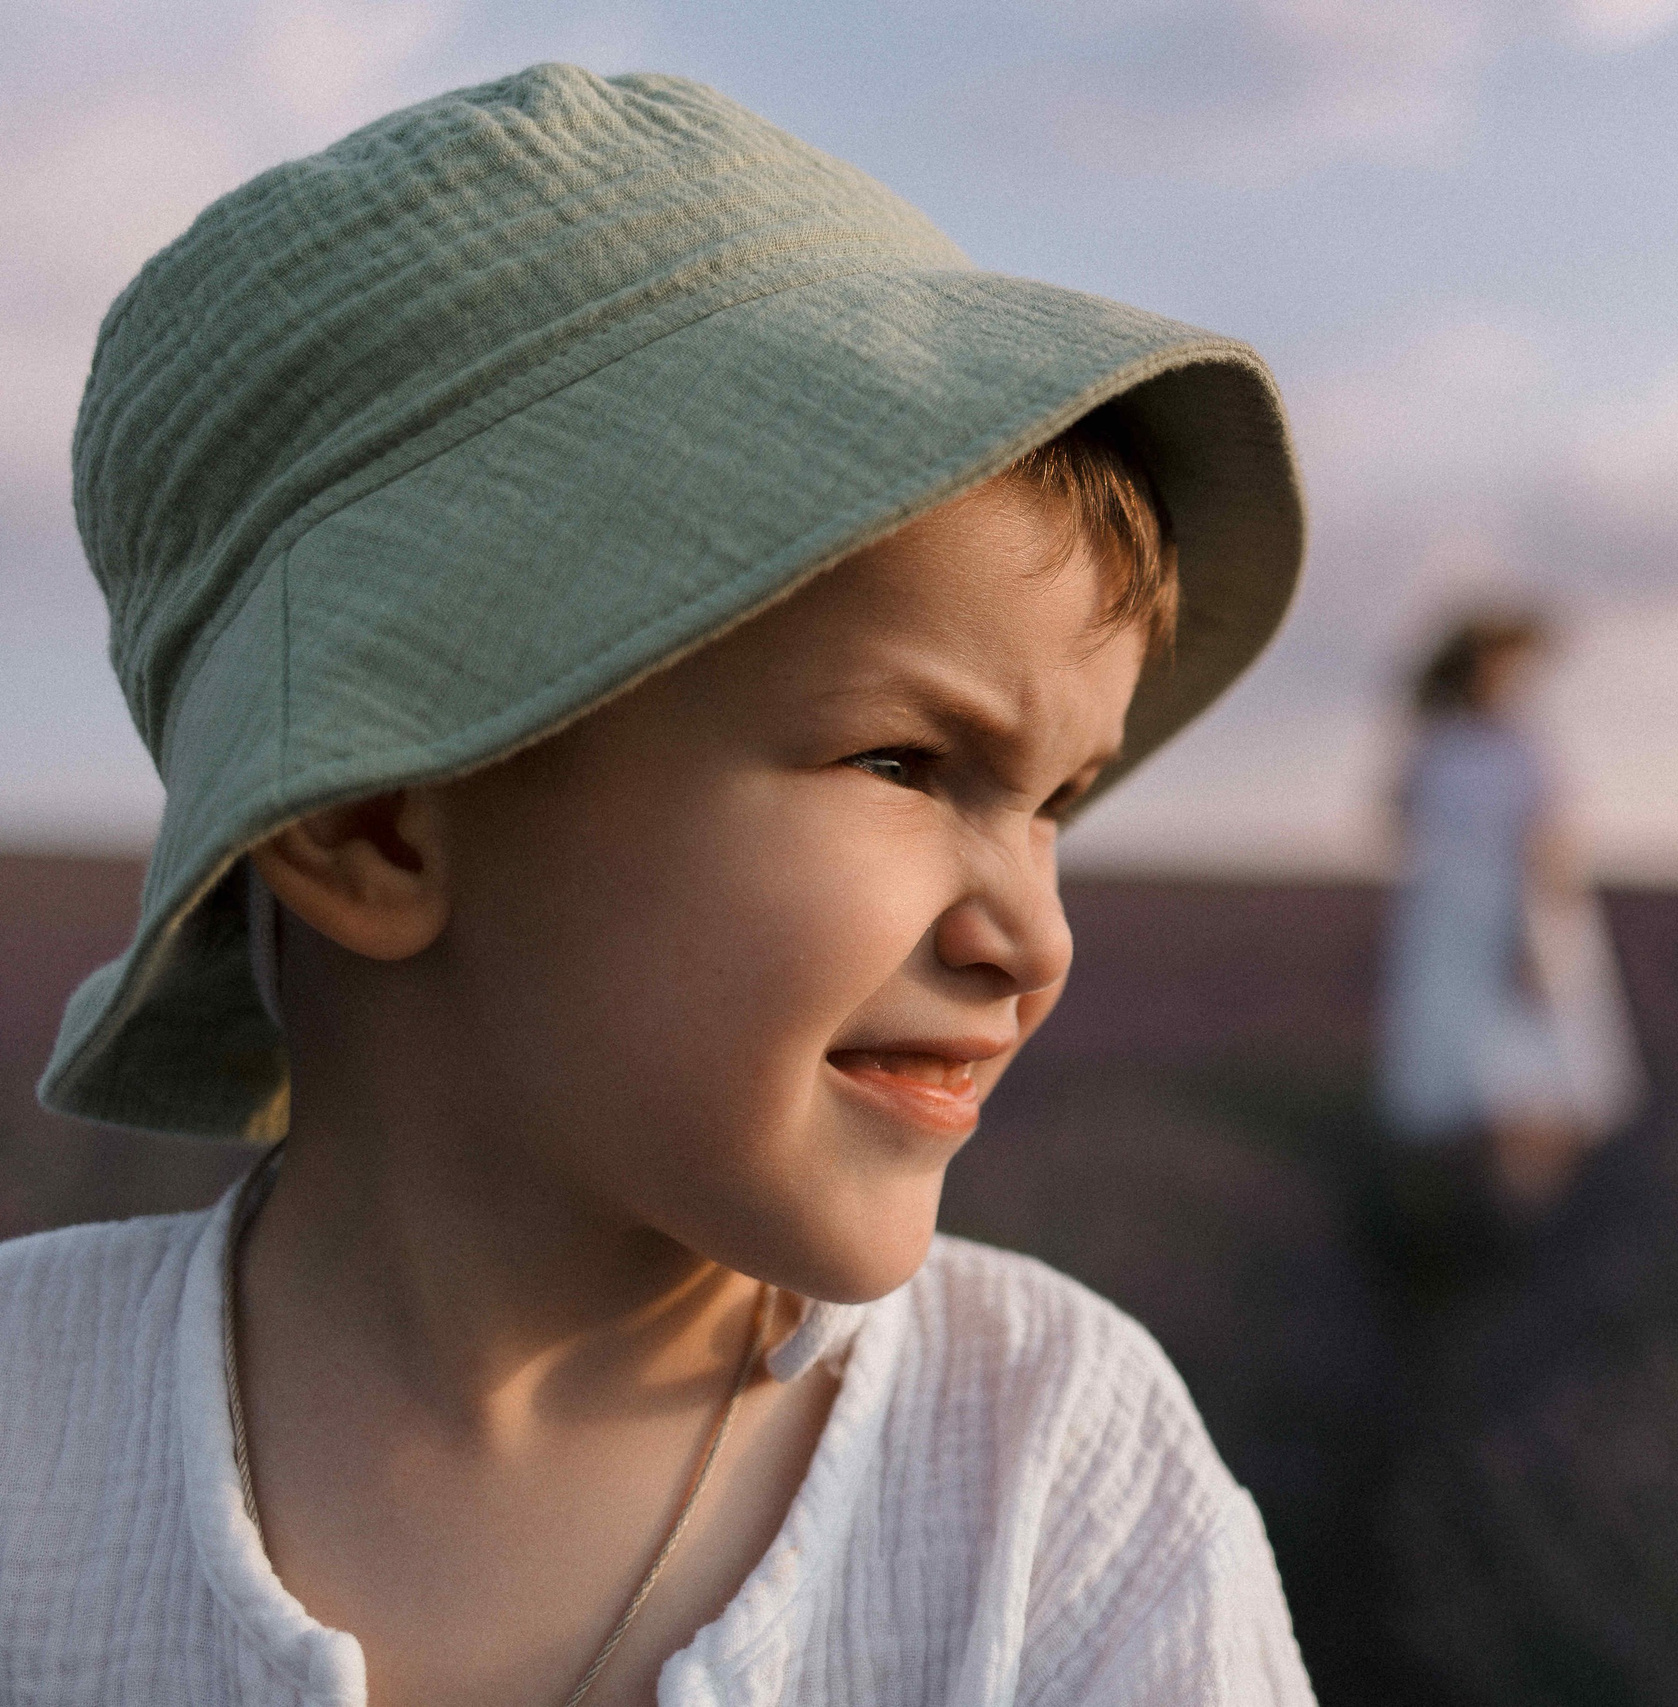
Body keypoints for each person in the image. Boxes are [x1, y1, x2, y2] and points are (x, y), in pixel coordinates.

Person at [0, 66, 1312, 1705]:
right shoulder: (29, 1446)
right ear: (374, 822)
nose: (1032, 936)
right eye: (908, 762)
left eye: (1056, 802)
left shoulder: (1049, 1473)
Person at [1376, 611, 1643, 1220]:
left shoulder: (1528, 748)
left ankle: (1536, 1217)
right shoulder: (1435, 743)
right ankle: (1476, 1216)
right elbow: (1398, 818)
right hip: (1449, 920)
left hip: (1517, 917)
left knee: (1534, 1068)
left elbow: (1553, 845)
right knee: (1467, 1075)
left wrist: (1540, 937)